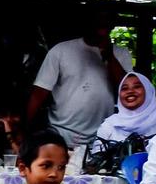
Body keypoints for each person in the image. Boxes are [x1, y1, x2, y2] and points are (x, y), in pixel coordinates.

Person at [27, 12, 132, 152]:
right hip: (61, 135)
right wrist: (24, 130)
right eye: (98, 25)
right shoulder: (61, 50)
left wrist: (109, 56)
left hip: (101, 137)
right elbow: (39, 93)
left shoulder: (121, 54)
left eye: (106, 26)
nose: (101, 31)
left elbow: (126, 88)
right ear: (88, 25)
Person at [87, 72, 156, 169]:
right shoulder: (110, 125)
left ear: (148, 90)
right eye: (124, 88)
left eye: (137, 87)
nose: (130, 91)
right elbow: (97, 159)